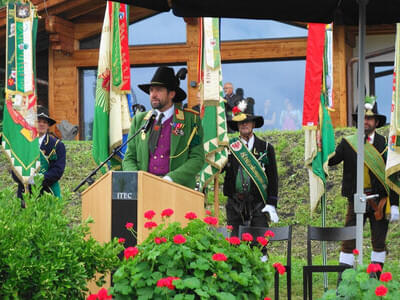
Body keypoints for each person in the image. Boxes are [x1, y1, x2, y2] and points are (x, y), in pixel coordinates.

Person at [329, 97, 399, 279]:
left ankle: (375, 284)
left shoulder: (385, 144)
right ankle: (343, 283)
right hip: (355, 199)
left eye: (370, 118)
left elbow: (393, 175)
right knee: (348, 242)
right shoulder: (348, 142)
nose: (366, 121)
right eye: (363, 118)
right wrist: (321, 146)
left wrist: (395, 204)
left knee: (378, 242)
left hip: (379, 202)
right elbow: (332, 160)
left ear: (376, 122)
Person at [123, 66, 205, 189]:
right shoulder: (139, 120)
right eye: (151, 90)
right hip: (145, 188)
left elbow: (197, 158)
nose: (153, 95)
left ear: (171, 94)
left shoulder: (191, 120)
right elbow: (129, 158)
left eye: (159, 90)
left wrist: (171, 179)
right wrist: (137, 179)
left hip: (178, 188)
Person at [223, 100, 279, 237]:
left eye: (247, 121)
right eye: (241, 122)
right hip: (234, 204)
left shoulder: (265, 148)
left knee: (259, 245)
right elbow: (219, 169)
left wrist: (271, 203)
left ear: (253, 124)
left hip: (258, 203)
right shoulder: (228, 147)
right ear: (237, 125)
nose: (244, 124)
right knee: (235, 244)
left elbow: (273, 177)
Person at [12, 106, 66, 202]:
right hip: (25, 194)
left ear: (48, 125)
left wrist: (36, 180)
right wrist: (25, 179)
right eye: (38, 121)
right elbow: (15, 167)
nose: (41, 124)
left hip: (47, 193)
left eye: (45, 122)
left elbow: (58, 170)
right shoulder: (24, 144)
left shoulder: (57, 145)